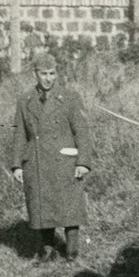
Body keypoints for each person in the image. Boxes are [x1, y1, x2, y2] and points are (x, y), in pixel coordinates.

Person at [9, 51, 93, 262]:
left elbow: (82, 131)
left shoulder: (70, 98)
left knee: (69, 206)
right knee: (41, 205)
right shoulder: (25, 100)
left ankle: (72, 251)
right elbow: (20, 133)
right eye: (43, 74)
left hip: (64, 161)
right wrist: (17, 164)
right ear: (35, 74)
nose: (48, 78)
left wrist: (83, 162)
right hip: (36, 162)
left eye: (52, 73)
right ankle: (47, 251)